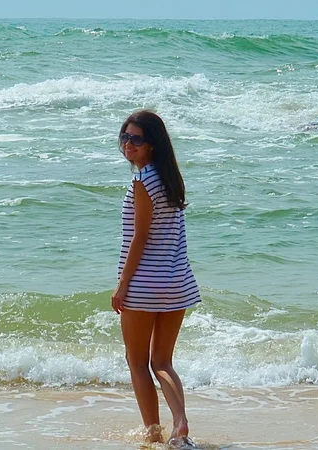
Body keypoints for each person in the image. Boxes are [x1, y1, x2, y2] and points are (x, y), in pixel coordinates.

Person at [111, 110, 201, 447]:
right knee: (162, 361)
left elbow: (140, 237)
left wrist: (122, 284)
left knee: (137, 362)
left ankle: (153, 433)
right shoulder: (171, 180)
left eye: (136, 139)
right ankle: (180, 421)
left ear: (151, 144)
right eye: (125, 137)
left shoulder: (142, 181)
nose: (128, 144)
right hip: (177, 282)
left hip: (145, 285)